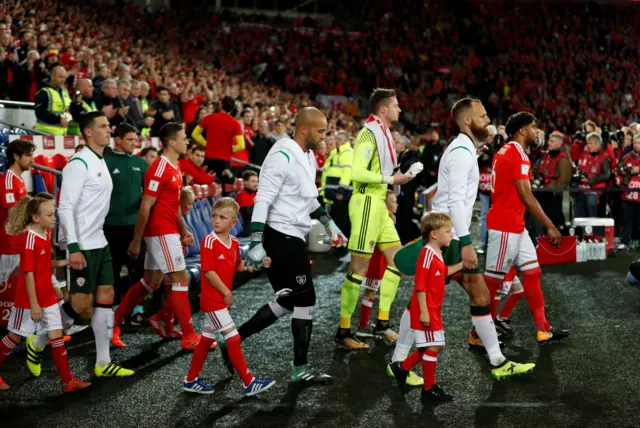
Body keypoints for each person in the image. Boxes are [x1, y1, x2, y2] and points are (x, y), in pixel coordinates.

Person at [393, 99, 535, 381]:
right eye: (482, 117)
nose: (488, 121)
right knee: (459, 297)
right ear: (468, 120)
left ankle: (399, 361)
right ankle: (495, 360)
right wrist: (467, 242)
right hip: (450, 238)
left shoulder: (463, 149)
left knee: (443, 299)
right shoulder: (460, 152)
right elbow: (456, 201)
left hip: (447, 235)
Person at [225, 107, 346, 384]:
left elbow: (310, 200)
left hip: (292, 236)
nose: (323, 136)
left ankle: (231, 341)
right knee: (306, 301)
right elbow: (263, 198)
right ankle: (300, 369)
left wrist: (329, 224)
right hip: (281, 236)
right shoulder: (281, 155)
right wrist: (256, 240)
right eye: (321, 130)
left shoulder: (306, 156)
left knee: (289, 299)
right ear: (304, 129)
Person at [336, 88, 418, 349]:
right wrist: (391, 179)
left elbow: (381, 172)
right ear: (383, 109)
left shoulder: (382, 133)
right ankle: (344, 330)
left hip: (380, 205)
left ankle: (382, 323)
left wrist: (396, 180)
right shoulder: (368, 133)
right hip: (365, 204)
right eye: (396, 105)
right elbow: (358, 173)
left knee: (397, 263)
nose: (400, 110)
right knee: (358, 271)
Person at [111, 123, 201, 351]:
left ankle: (115, 322)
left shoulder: (175, 165)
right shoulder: (159, 168)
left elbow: (175, 207)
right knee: (180, 280)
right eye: (183, 138)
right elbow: (145, 206)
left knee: (151, 281)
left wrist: (184, 231)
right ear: (171, 142)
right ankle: (189, 336)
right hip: (161, 232)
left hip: (169, 230)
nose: (186, 142)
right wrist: (136, 240)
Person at [58, 111, 134, 378]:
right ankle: (40, 338)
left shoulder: (100, 161)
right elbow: (64, 207)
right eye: (103, 126)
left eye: (108, 126)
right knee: (78, 305)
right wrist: (74, 246)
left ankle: (103, 362)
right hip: (83, 244)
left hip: (100, 241)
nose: (108, 130)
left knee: (106, 296)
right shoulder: (79, 163)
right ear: (88, 132)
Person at [484, 112, 570, 343]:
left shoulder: (505, 151)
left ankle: (543, 329)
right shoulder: (517, 154)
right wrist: (550, 226)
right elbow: (526, 195)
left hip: (515, 225)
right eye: (533, 127)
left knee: (532, 272)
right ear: (522, 130)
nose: (537, 132)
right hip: (505, 226)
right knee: (492, 281)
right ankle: (479, 334)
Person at [183, 198, 275, 396]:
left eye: (222, 217)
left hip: (220, 300)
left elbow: (239, 266)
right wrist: (226, 292)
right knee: (233, 338)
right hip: (213, 299)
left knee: (207, 340)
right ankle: (248, 381)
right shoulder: (209, 241)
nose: (216, 220)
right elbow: (208, 272)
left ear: (233, 223)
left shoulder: (233, 242)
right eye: (214, 216)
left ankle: (190, 380)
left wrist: (260, 264)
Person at [0, 194, 91, 392]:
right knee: (13, 338)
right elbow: (28, 273)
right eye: (50, 215)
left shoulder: (44, 234)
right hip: (28, 300)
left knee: (57, 336)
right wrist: (33, 303)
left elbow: (43, 265)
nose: (54, 218)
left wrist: (65, 263)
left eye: (54, 214)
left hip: (47, 297)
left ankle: (68, 382)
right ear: (35, 217)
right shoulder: (30, 239)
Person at [389, 212, 462, 402]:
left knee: (434, 346)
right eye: (447, 231)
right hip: (427, 309)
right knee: (434, 346)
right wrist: (423, 312)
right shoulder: (427, 254)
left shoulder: (436, 253)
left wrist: (463, 264)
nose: (451, 234)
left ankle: (402, 368)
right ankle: (428, 389)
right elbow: (420, 286)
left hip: (432, 309)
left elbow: (444, 272)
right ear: (434, 234)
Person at [104, 124, 148, 308]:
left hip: (134, 226)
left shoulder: (141, 163)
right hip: (110, 225)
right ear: (118, 140)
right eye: (129, 140)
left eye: (135, 140)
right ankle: (114, 308)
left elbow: (149, 194)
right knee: (112, 269)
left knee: (138, 269)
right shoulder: (106, 162)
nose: (133, 143)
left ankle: (136, 308)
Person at [191, 96, 245, 190]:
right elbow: (241, 145)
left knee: (205, 188)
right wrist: (229, 150)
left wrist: (206, 144)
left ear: (220, 105)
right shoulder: (235, 123)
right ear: (232, 108)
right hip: (224, 162)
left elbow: (195, 134)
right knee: (224, 188)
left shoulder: (209, 118)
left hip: (209, 159)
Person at [0, 139, 34, 286]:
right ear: (15, 156)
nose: (32, 160)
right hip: (10, 246)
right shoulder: (8, 179)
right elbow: (13, 215)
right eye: (28, 155)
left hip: (19, 244)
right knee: (6, 291)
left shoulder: (19, 179)